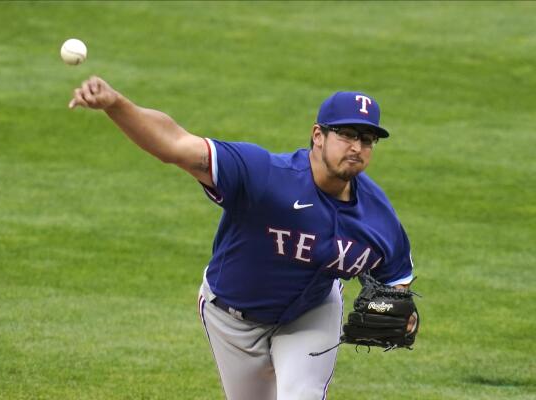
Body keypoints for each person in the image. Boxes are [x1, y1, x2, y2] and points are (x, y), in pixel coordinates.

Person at [69, 77, 415, 400]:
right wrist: (115, 104)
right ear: (318, 136)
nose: (356, 146)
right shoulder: (265, 176)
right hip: (232, 318)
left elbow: (397, 277)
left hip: (310, 314)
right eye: (346, 134)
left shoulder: (378, 219)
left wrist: (401, 309)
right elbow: (174, 143)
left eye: (366, 140)